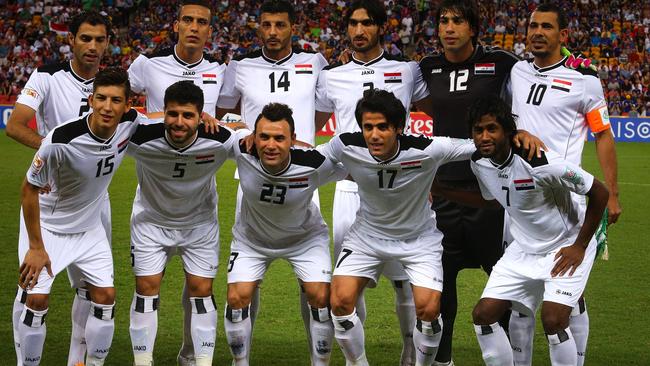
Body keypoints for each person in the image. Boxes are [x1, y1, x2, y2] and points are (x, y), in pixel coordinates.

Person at [436, 96, 608, 366]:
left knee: (553, 320)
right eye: (478, 130)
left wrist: (580, 246)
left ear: (507, 131)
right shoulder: (478, 162)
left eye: (491, 128)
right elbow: (492, 200)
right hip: (523, 248)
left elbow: (599, 192)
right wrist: (442, 191)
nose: (484, 136)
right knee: (483, 315)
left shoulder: (540, 162)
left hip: (565, 246)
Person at [318, 89, 476, 366]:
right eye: (368, 127)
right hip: (366, 236)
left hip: (418, 239)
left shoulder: (428, 149)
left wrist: (518, 137)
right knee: (340, 303)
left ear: (399, 128)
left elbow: (479, 145)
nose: (374, 135)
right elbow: (308, 157)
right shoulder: (345, 145)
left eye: (382, 127)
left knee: (428, 309)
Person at [315, 1, 431, 364]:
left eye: (366, 23)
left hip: (400, 190)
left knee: (404, 282)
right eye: (352, 23)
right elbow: (314, 121)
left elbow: (438, 106)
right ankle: (355, 360)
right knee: (349, 282)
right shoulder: (331, 76)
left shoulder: (407, 71)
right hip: (350, 188)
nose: (358, 30)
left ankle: (410, 354)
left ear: (381, 27)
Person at [508, 4, 621, 365]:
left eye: (546, 27)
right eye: (532, 26)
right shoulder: (517, 72)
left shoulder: (585, 80)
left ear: (562, 36)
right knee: (520, 299)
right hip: (522, 201)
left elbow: (602, 135)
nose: (537, 32)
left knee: (568, 296)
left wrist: (613, 194)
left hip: (568, 201)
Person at [216, 0, 330, 357]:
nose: (273, 32)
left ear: (292, 27)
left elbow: (324, 111)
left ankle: (318, 354)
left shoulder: (314, 62)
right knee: (245, 284)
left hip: (301, 179)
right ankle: (242, 353)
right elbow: (222, 111)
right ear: (258, 27)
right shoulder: (241, 66)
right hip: (252, 178)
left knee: (311, 285)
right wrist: (248, 133)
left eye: (280, 25)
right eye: (266, 25)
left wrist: (300, 145)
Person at [16, 68, 144, 366]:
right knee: (36, 301)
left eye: (115, 100)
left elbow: (160, 115)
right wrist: (36, 247)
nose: (107, 107)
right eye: (101, 98)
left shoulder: (130, 123)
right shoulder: (60, 140)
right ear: (91, 99)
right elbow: (27, 190)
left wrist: (202, 116)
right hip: (49, 227)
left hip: (89, 229)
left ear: (127, 106)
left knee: (106, 298)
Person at [5, 11, 112, 366]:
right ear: (72, 40)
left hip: (95, 197)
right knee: (32, 289)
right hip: (50, 194)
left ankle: (77, 359)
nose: (93, 47)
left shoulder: (113, 83)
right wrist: (52, 153)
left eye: (99, 40)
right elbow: (16, 125)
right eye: (86, 39)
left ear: (108, 43)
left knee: (92, 287)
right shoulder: (49, 75)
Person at [417, 2, 521, 364]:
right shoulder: (427, 66)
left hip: (490, 196)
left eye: (457, 21)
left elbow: (550, 67)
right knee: (442, 285)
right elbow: (432, 108)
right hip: (444, 192)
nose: (449, 28)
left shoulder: (501, 61)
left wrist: (578, 62)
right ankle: (443, 359)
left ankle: (507, 357)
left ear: (473, 27)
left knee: (503, 284)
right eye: (443, 21)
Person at [126, 2, 227, 363]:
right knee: (147, 285)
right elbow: (122, 103)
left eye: (202, 22)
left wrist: (212, 119)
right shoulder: (147, 64)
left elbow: (231, 116)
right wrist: (165, 119)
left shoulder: (220, 70)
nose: (194, 27)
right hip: (155, 180)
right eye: (188, 20)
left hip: (199, 193)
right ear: (176, 25)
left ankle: (192, 354)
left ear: (210, 31)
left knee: (199, 287)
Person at [224, 103, 346, 366]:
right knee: (236, 299)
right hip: (252, 239)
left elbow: (356, 171)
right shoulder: (242, 149)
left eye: (279, 138)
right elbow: (223, 125)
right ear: (253, 137)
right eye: (263, 136)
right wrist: (238, 128)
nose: (270, 145)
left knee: (320, 298)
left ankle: (320, 363)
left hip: (304, 239)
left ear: (293, 139)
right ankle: (239, 362)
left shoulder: (313, 162)